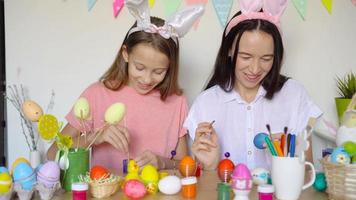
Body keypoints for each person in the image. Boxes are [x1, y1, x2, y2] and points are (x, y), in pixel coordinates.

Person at [47, 0, 204, 173]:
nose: (147, 79)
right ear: (125, 54)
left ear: (170, 67)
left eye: (158, 71)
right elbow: (52, 153)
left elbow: (185, 165)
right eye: (140, 67)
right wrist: (95, 137)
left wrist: (162, 162)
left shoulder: (176, 103)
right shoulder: (97, 94)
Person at [183, 0, 323, 170]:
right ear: (229, 50)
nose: (255, 69)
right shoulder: (206, 103)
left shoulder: (294, 95)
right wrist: (210, 167)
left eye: (266, 59)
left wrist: (290, 159)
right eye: (246, 57)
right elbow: (200, 185)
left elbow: (308, 173)